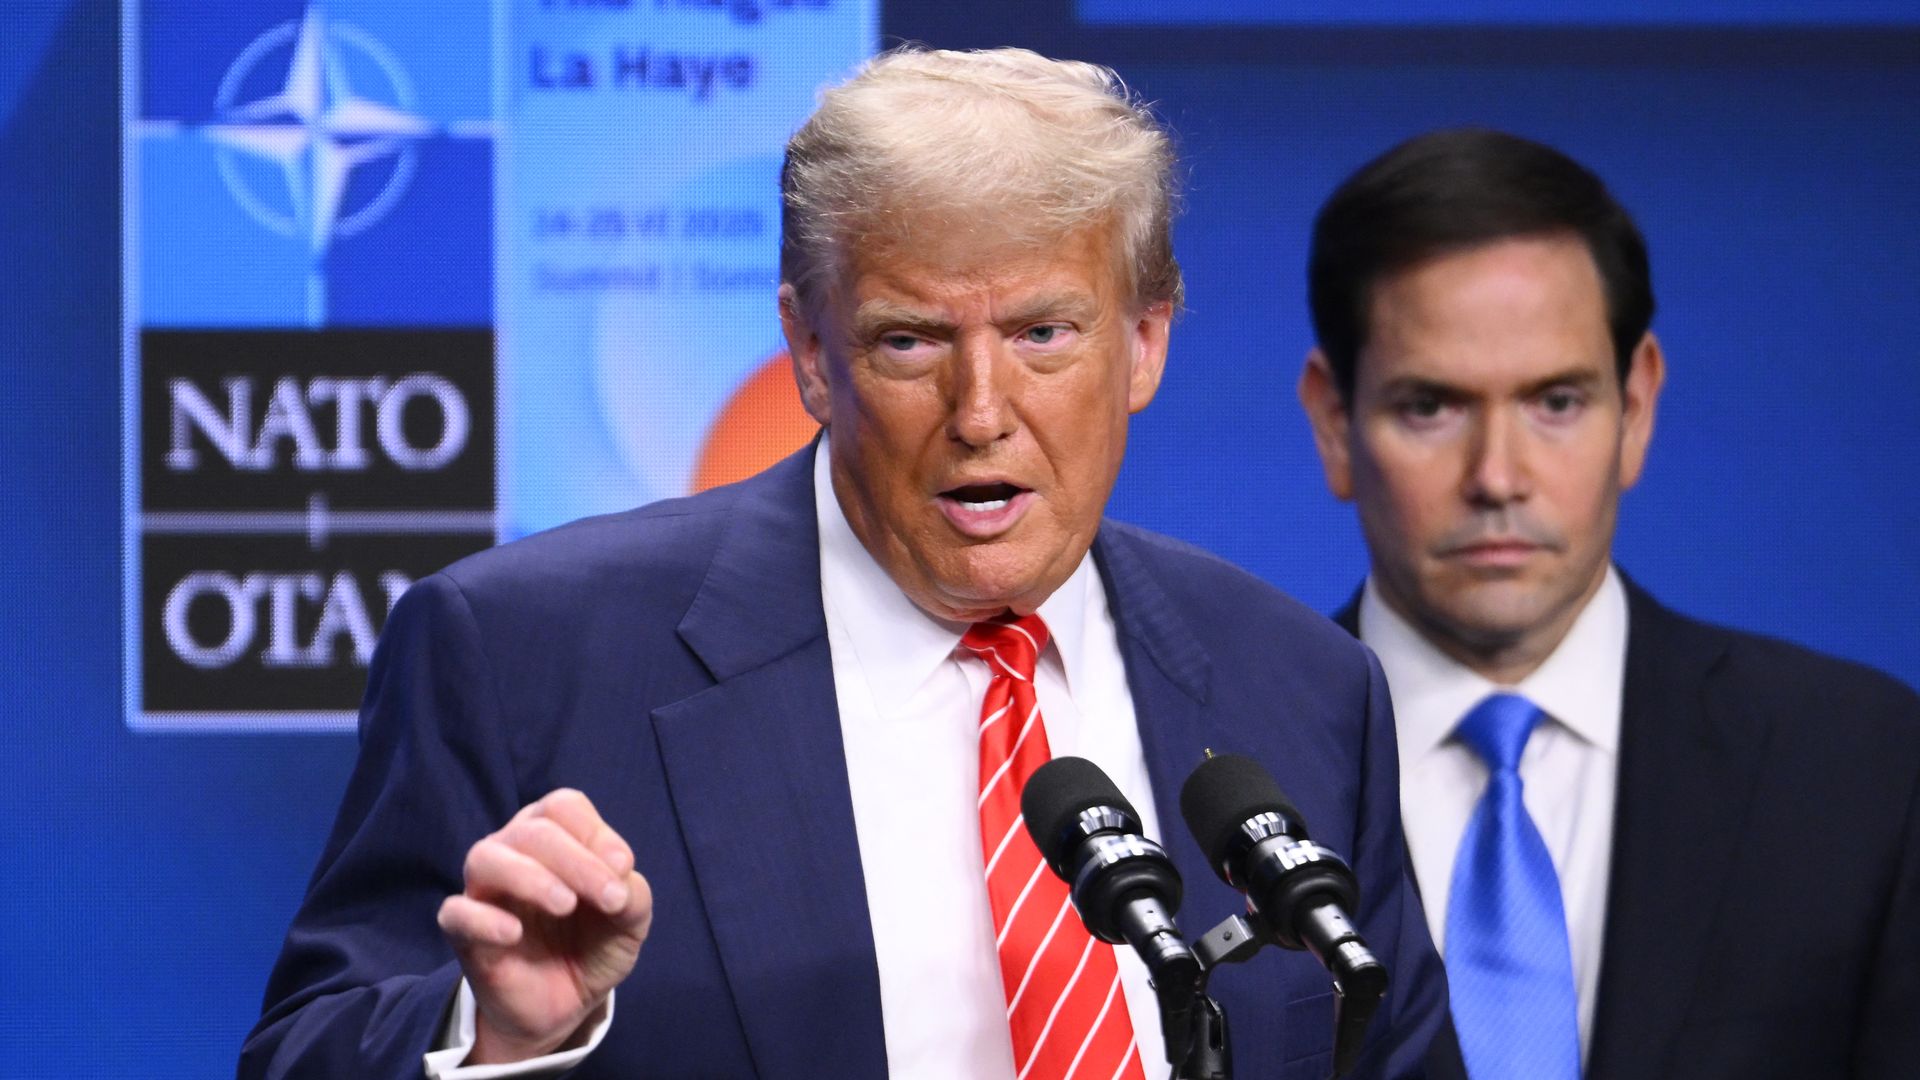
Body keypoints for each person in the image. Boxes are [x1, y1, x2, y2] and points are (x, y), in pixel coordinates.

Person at [240, 48, 1448, 1079]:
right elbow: (306, 1048)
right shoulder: (520, 655)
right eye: (910, 341)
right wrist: (492, 1038)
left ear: (1143, 344)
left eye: (1042, 333)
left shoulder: (1304, 688)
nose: (982, 412)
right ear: (810, 358)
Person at [1295, 127, 1920, 1080]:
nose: (1498, 476)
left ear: (1637, 407)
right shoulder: (1219, 771)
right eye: (1431, 406)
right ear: (1335, 424)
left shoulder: (1864, 768)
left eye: (1556, 402)